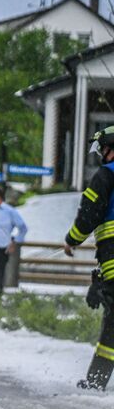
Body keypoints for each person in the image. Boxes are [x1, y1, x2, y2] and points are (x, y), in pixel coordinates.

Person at [64, 124, 114, 390]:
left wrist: (72, 239)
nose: (101, 155)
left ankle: (95, 383)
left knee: (113, 326)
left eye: (103, 149)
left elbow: (89, 214)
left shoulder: (106, 175)